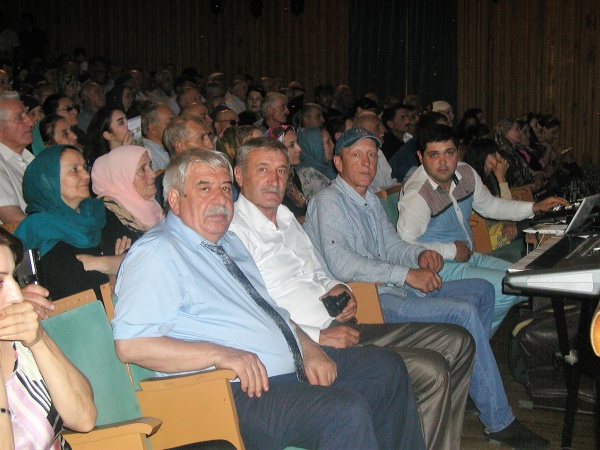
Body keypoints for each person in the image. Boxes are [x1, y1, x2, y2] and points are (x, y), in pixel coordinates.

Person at [112, 149, 425, 450]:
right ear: (174, 199)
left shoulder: (230, 242)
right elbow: (132, 345)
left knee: (386, 369)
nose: (220, 199)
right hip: (232, 392)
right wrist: (222, 354)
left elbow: (272, 312)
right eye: (204, 188)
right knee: (343, 411)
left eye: (225, 188)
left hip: (284, 372)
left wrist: (308, 347)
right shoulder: (158, 253)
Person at [304, 127, 552, 449]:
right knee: (462, 312)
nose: (367, 163)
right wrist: (407, 274)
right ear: (338, 163)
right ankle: (499, 421)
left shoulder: (367, 200)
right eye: (356, 155)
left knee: (482, 291)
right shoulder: (329, 202)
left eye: (371, 155)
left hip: (390, 289)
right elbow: (342, 264)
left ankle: (470, 381)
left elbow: (393, 245)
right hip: (367, 301)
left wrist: (419, 255)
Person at [230, 137, 475, 449]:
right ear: (239, 175)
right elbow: (255, 308)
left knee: (458, 340)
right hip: (311, 340)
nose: (274, 179)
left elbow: (320, 271)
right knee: (429, 370)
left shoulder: (287, 218)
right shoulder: (234, 232)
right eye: (263, 169)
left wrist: (340, 289)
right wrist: (316, 338)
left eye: (281, 171)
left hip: (341, 322)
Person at [398, 124, 569, 333]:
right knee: (507, 288)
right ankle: (476, 342)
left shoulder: (466, 173)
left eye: (449, 153)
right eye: (434, 155)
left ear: (458, 152)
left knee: (524, 282)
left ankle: (471, 337)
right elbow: (404, 246)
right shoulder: (417, 194)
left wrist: (535, 207)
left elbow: (491, 206)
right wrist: (451, 250)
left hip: (468, 257)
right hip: (439, 267)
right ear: (420, 156)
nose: (442, 162)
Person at [0, 228, 97, 448]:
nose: (17, 296)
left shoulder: (18, 337)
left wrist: (38, 339)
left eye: (14, 277)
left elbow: (84, 418)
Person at [15, 145, 131, 300]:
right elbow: (80, 291)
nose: (86, 176)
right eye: (74, 170)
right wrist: (116, 268)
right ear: (48, 180)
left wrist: (103, 264)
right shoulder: (40, 228)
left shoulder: (97, 211)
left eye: (84, 167)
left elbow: (139, 258)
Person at [92, 145, 164, 244]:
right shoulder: (107, 217)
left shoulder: (152, 204)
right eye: (142, 169)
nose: (152, 174)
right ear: (121, 178)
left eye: (150, 166)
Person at [0, 91, 35, 223]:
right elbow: (13, 220)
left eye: (27, 114)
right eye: (20, 117)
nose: (30, 122)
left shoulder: (29, 158)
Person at [265, 125, 307, 218]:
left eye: (297, 143)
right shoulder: (273, 181)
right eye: (291, 145)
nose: (299, 149)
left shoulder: (291, 174)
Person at [296, 126, 336, 200]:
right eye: (328, 142)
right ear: (316, 146)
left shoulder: (327, 167)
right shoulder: (308, 175)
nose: (333, 145)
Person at [141, 102, 174, 171]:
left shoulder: (169, 147)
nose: (176, 126)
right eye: (170, 123)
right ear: (153, 129)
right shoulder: (148, 155)